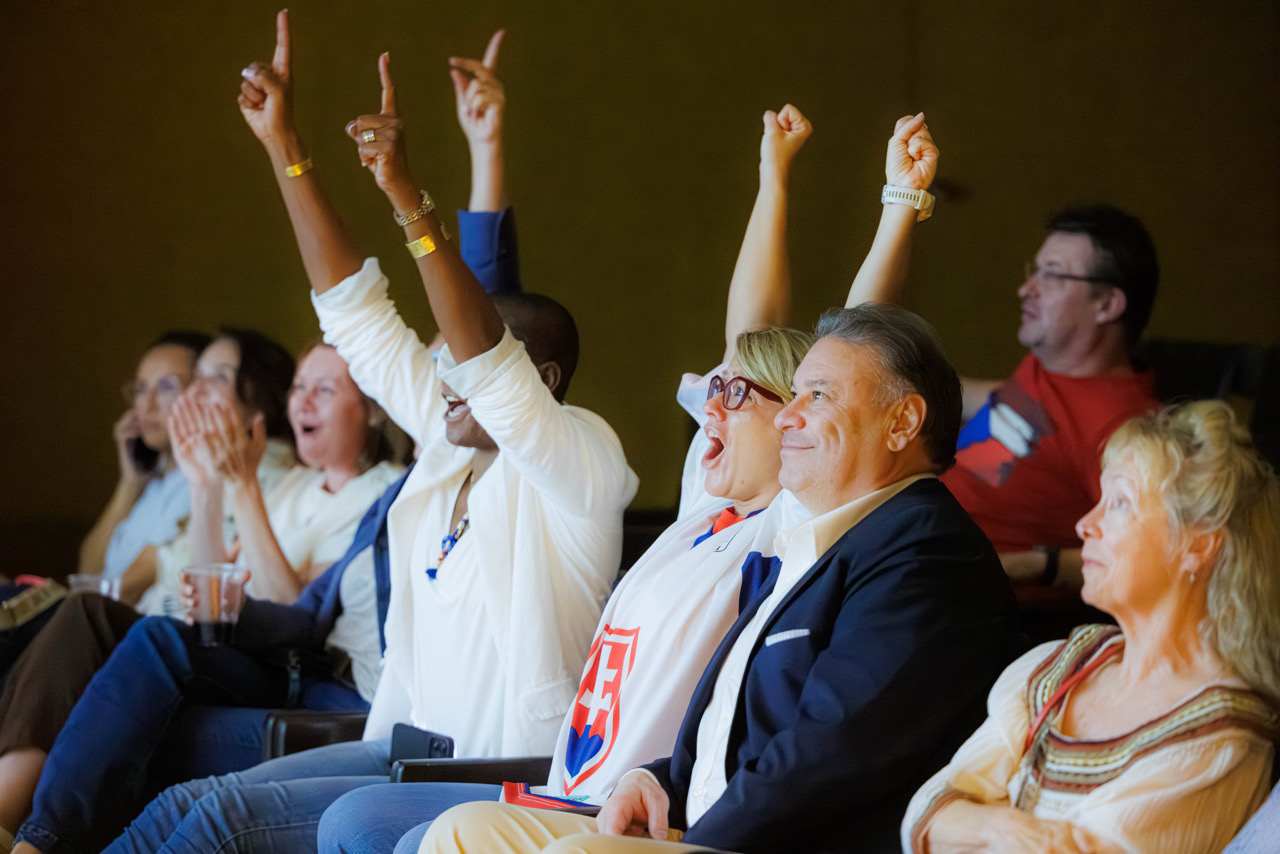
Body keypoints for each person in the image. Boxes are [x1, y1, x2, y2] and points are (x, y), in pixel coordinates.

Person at [89, 14, 636, 854]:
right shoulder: (451, 442)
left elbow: (489, 367)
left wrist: (409, 200)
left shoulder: (578, 460)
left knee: (220, 821)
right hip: (401, 749)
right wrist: (285, 146)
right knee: (185, 804)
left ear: (544, 381)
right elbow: (356, 315)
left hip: (500, 774)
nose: (447, 374)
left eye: (469, 359)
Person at [316, 99, 822, 854]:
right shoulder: (700, 506)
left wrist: (893, 209)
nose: (710, 404)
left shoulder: (787, 522)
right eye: (713, 389)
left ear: (797, 422)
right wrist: (772, 178)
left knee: (353, 823)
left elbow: (856, 360)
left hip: (614, 802)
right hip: (565, 782)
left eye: (736, 393)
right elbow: (744, 340)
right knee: (326, 817)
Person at [420, 303, 1021, 853]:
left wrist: (692, 841)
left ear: (901, 423)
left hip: (766, 843)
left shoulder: (924, 552)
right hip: (698, 820)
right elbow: (734, 724)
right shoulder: (813, 540)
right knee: (467, 832)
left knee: (579, 852)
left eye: (817, 395)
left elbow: (831, 755)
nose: (788, 414)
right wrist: (654, 779)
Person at [2, 334, 408, 853]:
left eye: (324, 390)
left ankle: (37, 839)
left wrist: (243, 489)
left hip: (295, 665)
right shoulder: (291, 488)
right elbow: (209, 584)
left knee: (154, 638)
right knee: (96, 621)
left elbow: (297, 612)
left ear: (372, 410)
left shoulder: (381, 493)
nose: (302, 400)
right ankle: (29, 809)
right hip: (245, 650)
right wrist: (203, 488)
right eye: (299, 387)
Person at [903, 400, 1280, 854]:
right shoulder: (1065, 660)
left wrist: (980, 817)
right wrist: (1007, 832)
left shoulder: (1220, 734)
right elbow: (926, 814)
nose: (1085, 525)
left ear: (1198, 545)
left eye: (1119, 503)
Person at [78, 330, 211, 604]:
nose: (147, 405)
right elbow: (87, 572)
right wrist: (129, 483)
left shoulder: (201, 483)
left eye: (166, 387)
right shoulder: (154, 482)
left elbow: (125, 591)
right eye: (140, 389)